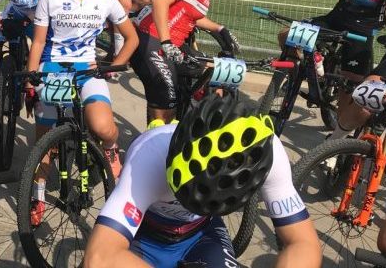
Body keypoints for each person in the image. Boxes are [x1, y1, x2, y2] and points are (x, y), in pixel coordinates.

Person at [84, 94, 321, 268]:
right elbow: (99, 258)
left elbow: (303, 243)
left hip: (201, 234)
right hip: (146, 234)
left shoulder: (268, 153)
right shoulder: (148, 156)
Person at [26, 0, 139, 226]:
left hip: (88, 70)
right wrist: (31, 77)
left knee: (103, 128)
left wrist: (112, 66)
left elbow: (132, 38)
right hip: (53, 67)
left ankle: (111, 151)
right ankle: (38, 194)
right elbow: (38, 42)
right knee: (44, 142)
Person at [131, 0, 258, 124]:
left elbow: (189, 14)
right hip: (154, 41)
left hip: (173, 44)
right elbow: (160, 1)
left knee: (216, 75)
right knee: (165, 114)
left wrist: (220, 28)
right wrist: (166, 42)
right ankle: (156, 140)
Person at [302, 0, 386, 151]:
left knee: (350, 88)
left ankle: (337, 140)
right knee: (288, 35)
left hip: (361, 32)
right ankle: (310, 69)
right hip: (335, 19)